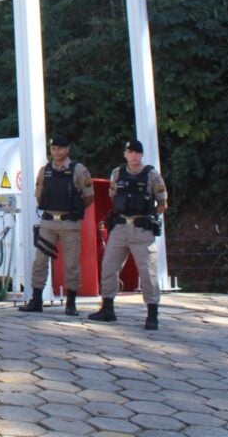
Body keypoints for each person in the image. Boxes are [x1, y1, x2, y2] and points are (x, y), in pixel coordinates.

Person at [88, 138, 169, 330]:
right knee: (109, 267)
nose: (133, 155)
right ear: (125, 154)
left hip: (142, 229)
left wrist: (150, 218)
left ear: (141, 154)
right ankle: (107, 308)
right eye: (130, 152)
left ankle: (152, 313)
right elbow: (113, 197)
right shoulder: (117, 173)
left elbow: (162, 203)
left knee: (148, 272)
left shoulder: (152, 175)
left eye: (136, 152)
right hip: (120, 227)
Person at [18, 134, 94, 315]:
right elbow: (39, 194)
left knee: (71, 263)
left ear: (67, 149)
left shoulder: (78, 170)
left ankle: (71, 303)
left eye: (60, 148)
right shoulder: (45, 170)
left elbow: (89, 196)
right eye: (53, 148)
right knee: (40, 261)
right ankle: (36, 299)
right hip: (48, 222)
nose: (56, 151)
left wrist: (75, 210)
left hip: (69, 222)